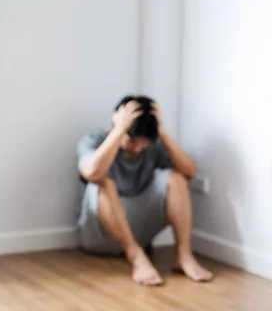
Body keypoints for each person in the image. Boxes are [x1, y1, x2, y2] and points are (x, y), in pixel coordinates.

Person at [76, 95, 214, 286]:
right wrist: (119, 130)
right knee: (103, 182)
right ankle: (136, 257)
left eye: (144, 142)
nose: (139, 148)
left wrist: (161, 133)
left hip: (139, 230)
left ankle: (184, 256)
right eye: (133, 141)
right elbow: (91, 172)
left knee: (176, 178)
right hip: (99, 236)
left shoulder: (151, 147)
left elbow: (190, 171)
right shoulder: (93, 140)